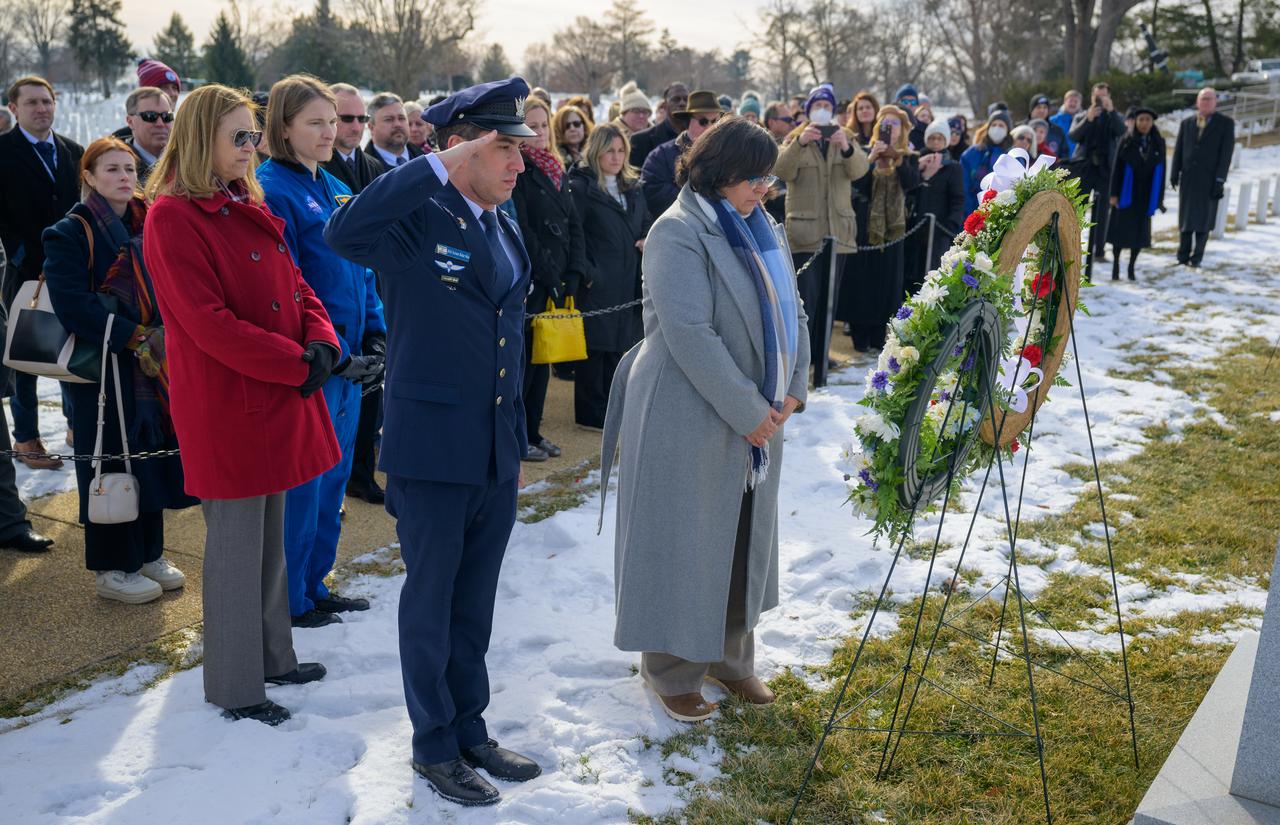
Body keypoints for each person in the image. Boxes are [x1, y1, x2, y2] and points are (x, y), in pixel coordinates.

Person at [324, 77, 542, 807]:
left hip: (490, 450)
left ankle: (471, 728)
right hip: (431, 449)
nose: (517, 163)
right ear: (460, 148)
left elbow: (510, 338)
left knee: (474, 604)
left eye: (519, 148)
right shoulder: (420, 213)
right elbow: (343, 233)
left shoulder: (503, 220)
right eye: (503, 148)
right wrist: (430, 169)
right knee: (432, 604)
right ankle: (434, 745)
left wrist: (510, 450)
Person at [601, 116, 809, 723]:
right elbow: (689, 332)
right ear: (718, 172)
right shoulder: (678, 230)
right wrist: (750, 410)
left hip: (758, 414)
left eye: (768, 176)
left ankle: (730, 656)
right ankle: (670, 669)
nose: (764, 188)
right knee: (683, 539)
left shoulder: (760, 224)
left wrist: (792, 388)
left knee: (742, 536)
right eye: (753, 177)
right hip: (686, 409)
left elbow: (791, 307)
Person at [143, 83, 339, 726]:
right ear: (203, 139)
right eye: (239, 137)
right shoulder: (174, 215)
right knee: (234, 551)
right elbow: (207, 322)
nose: (251, 148)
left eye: (253, 136)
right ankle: (235, 684)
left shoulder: (239, 200)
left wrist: (321, 339)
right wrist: (294, 364)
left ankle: (274, 656)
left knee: (272, 541)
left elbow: (297, 283)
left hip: (275, 392)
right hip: (232, 404)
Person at [42, 136, 197, 603]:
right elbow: (75, 306)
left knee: (148, 455)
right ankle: (112, 565)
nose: (125, 177)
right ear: (87, 176)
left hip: (151, 367)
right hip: (105, 367)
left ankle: (148, 552)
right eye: (111, 170)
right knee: (108, 460)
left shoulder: (151, 220)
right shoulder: (70, 231)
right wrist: (135, 334)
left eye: (130, 169)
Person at [257, 74, 387, 628]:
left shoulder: (335, 186)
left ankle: (315, 582)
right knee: (304, 486)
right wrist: (322, 350)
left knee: (334, 479)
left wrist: (378, 330)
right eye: (316, 122)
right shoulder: (272, 189)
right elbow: (282, 286)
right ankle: (289, 598)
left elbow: (362, 269)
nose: (331, 131)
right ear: (283, 129)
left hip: (352, 360)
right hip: (315, 363)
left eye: (333, 120)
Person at [0, 75, 84, 471]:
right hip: (26, 274)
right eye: (32, 102)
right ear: (14, 108)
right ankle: (27, 438)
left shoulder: (74, 151)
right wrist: (21, 257)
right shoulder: (3, 152)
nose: (41, 109)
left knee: (70, 351)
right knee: (27, 360)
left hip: (72, 273)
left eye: (47, 101)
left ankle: (74, 427)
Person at [774, 82, 869, 367]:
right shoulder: (794, 139)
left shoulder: (846, 137)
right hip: (805, 233)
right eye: (818, 106)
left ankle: (821, 354)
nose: (823, 111)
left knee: (830, 299)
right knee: (806, 300)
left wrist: (846, 147)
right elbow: (781, 170)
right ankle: (801, 359)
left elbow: (861, 171)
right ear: (807, 111)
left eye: (827, 106)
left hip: (838, 232)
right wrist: (801, 143)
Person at [512, 95, 585, 458]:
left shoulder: (556, 167)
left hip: (556, 277)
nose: (539, 132)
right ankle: (519, 435)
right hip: (533, 277)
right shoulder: (519, 168)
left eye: (543, 125)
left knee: (543, 360)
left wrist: (573, 270)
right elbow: (524, 228)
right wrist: (550, 273)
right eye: (531, 126)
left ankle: (534, 430)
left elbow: (573, 223)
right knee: (525, 361)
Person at [566, 123, 649, 430]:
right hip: (599, 278)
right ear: (596, 152)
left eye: (620, 150)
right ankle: (590, 412)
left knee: (619, 345)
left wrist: (644, 236)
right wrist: (589, 273)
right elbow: (575, 233)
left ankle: (613, 408)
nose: (616, 157)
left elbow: (646, 221)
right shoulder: (582, 187)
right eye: (609, 151)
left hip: (627, 276)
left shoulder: (633, 186)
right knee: (595, 348)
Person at [842, 104, 919, 351]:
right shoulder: (866, 152)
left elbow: (912, 184)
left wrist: (897, 156)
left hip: (894, 231)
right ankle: (859, 335)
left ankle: (879, 334)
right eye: (884, 124)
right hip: (866, 226)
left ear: (902, 129)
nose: (889, 128)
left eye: (894, 124)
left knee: (887, 281)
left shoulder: (908, 155)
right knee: (862, 280)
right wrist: (871, 158)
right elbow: (857, 184)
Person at [1171, 87, 1235, 268]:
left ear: (1215, 102)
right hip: (1189, 178)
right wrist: (1174, 173)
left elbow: (1226, 154)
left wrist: (1220, 179)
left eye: (1209, 99)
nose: (1206, 102)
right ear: (1198, 102)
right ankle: (1182, 256)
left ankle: (1197, 256)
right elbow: (1179, 150)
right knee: (1185, 219)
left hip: (1209, 179)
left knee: (1204, 219)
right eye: (1203, 99)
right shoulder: (1187, 123)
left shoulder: (1225, 123)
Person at [641, 90, 723, 219]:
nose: (710, 128)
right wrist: (702, 201)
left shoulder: (728, 154)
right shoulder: (660, 156)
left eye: (715, 122)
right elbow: (654, 194)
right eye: (703, 121)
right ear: (688, 121)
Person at [1069, 82, 1125, 268]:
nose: (1100, 100)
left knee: (1102, 212)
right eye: (1097, 97)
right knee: (1078, 210)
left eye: (1103, 96)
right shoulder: (1082, 115)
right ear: (1091, 97)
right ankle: (1072, 247)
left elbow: (1122, 132)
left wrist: (1112, 111)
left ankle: (1098, 251)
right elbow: (1074, 136)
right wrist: (1088, 119)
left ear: (1109, 97)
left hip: (1105, 170)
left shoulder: (1115, 116)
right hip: (1084, 169)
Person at [1107, 106, 1166, 281]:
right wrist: (1113, 193)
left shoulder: (1158, 142)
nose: (1144, 123)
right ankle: (1116, 265)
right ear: (1135, 121)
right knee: (1120, 233)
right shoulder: (1126, 141)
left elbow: (1162, 171)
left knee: (1139, 235)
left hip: (1146, 196)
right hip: (1126, 194)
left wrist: (1159, 198)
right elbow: (1116, 169)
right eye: (1141, 120)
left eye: (1148, 120)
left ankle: (1132, 267)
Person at [914, 117, 965, 279]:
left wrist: (951, 224)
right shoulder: (917, 161)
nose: (936, 142)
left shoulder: (953, 167)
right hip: (916, 225)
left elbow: (958, 198)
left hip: (940, 227)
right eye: (932, 138)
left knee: (934, 271)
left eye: (940, 138)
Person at [323, 83, 383, 196]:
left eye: (362, 119)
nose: (356, 128)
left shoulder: (375, 167)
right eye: (347, 118)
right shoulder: (314, 167)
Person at [960, 110, 1012, 213]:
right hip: (972, 211)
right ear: (988, 128)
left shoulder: (1012, 157)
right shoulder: (971, 154)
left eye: (1001, 126)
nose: (997, 128)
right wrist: (972, 213)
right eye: (994, 124)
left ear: (1007, 131)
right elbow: (964, 187)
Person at [629, 82, 689, 167]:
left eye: (686, 99)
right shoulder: (640, 141)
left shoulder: (698, 137)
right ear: (664, 105)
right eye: (676, 99)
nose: (682, 103)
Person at [363, 92, 425, 172]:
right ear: (371, 127)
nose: (397, 124)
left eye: (401, 118)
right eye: (389, 119)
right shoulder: (363, 170)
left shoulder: (426, 161)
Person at [122, 87, 173, 184]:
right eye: (150, 116)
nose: (160, 124)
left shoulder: (187, 162)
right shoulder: (114, 166)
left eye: (166, 116)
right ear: (130, 122)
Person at [552, 104, 590, 170]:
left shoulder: (593, 152)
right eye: (566, 125)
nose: (572, 128)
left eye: (576, 124)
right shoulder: (555, 158)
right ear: (558, 129)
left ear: (584, 126)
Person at [1052, 90, 1083, 158]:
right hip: (1058, 163)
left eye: (1076, 101)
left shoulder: (1084, 121)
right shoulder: (1053, 121)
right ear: (1064, 102)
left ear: (1080, 104)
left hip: (1078, 163)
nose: (1073, 104)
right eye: (1070, 101)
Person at [894, 83, 925, 149]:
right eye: (905, 102)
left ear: (917, 106)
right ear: (897, 103)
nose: (909, 105)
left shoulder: (923, 129)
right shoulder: (888, 124)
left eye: (913, 102)